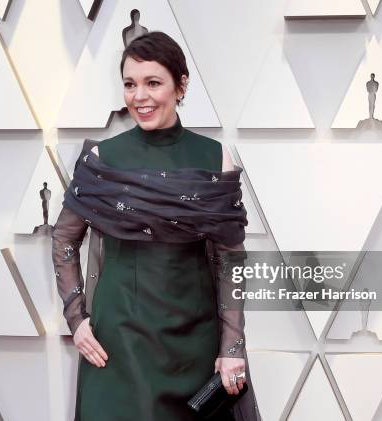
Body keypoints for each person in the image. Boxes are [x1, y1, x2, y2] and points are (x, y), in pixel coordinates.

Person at [52, 31, 259, 420]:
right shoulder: (102, 158)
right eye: (130, 84)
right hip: (116, 344)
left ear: (181, 86)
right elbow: (64, 239)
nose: (139, 97)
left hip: (193, 343)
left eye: (153, 83)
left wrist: (231, 348)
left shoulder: (215, 157)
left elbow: (232, 261)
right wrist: (77, 320)